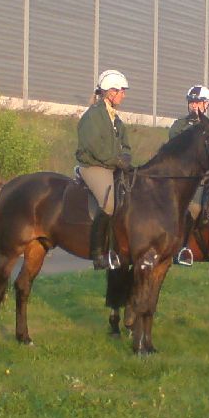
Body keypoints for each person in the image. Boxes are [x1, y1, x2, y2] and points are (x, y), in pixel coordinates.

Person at [77, 69, 132, 269]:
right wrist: (117, 160)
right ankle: (98, 254)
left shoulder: (115, 119)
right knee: (109, 204)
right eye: (121, 91)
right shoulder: (93, 116)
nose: (123, 95)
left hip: (113, 166)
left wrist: (126, 156)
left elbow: (126, 144)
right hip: (94, 166)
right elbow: (93, 147)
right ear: (110, 92)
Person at [169, 85, 209, 265]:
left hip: (208, 175)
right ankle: (183, 249)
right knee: (193, 208)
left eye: (198, 102)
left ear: (207, 104)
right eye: (191, 102)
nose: (194, 106)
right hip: (184, 177)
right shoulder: (179, 125)